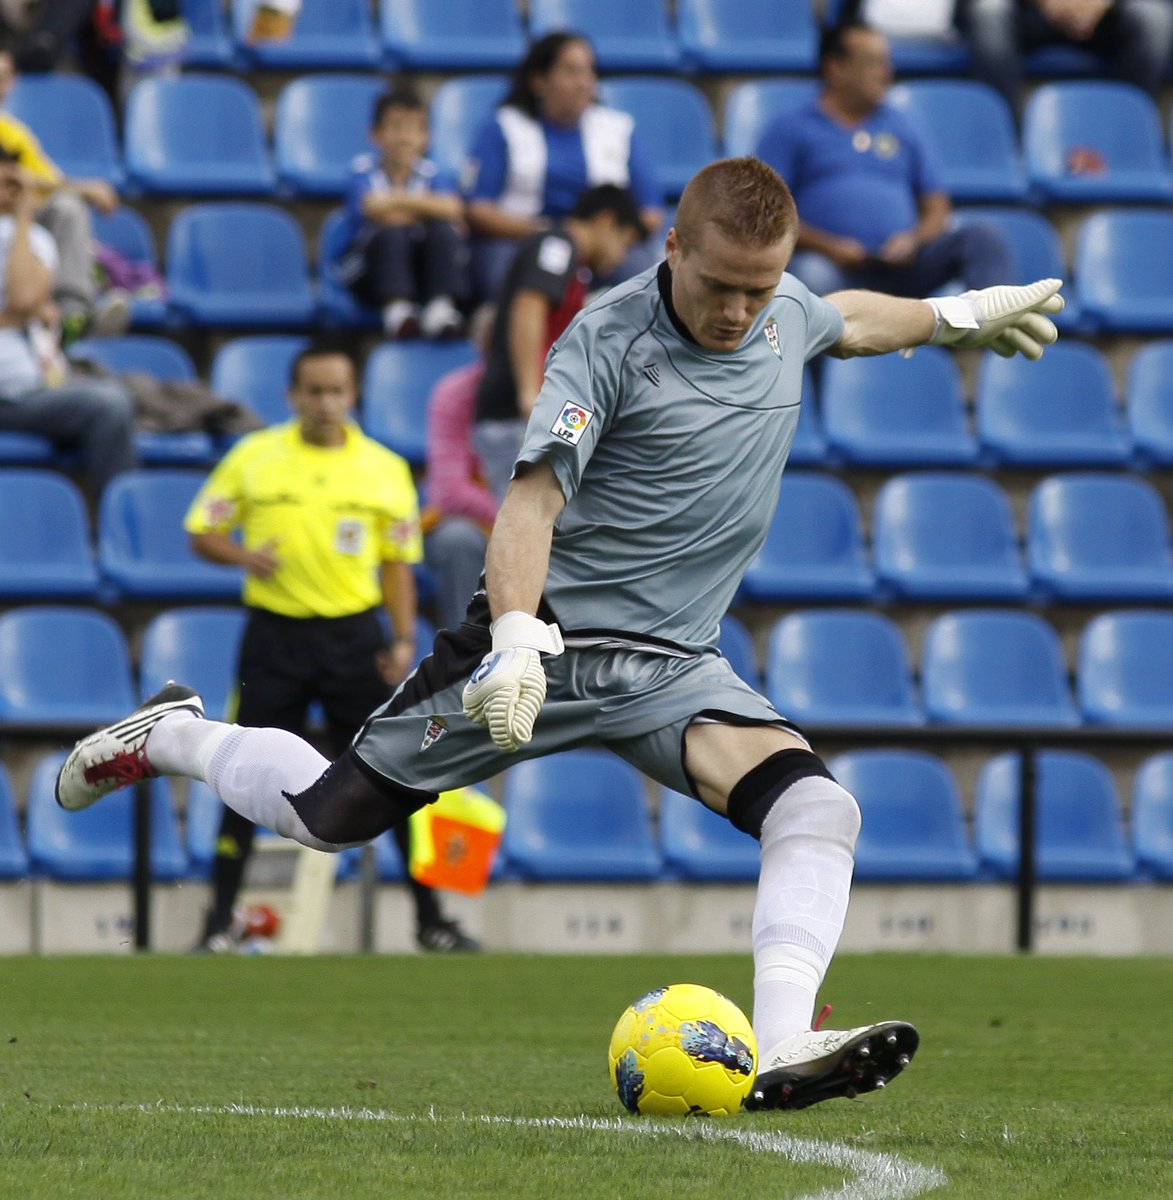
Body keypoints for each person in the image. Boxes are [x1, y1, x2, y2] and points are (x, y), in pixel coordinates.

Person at [56, 157, 1064, 1108]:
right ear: (671, 246)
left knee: (817, 809)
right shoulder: (604, 342)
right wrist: (517, 637)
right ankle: (175, 733)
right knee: (326, 817)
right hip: (544, 650)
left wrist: (953, 315)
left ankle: (785, 1039)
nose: (738, 312)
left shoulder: (779, 311)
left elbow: (844, 318)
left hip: (674, 666)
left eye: (760, 290)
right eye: (720, 285)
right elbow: (530, 504)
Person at [184, 340, 479, 954]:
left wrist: (402, 640)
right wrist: (244, 556)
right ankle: (217, 921)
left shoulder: (384, 468)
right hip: (275, 636)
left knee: (392, 775)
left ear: (354, 396)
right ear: (293, 396)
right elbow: (202, 529)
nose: (325, 402)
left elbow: (398, 564)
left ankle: (431, 918)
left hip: (354, 639)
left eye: (337, 391)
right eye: (313, 391)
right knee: (241, 773)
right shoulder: (255, 458)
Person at [755, 21, 1013, 300]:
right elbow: (767, 211)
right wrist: (830, 246)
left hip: (905, 268)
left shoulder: (902, 124)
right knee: (810, 275)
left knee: (982, 238)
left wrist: (913, 240)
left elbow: (937, 205)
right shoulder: (792, 125)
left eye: (887, 62)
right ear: (835, 69)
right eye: (873, 63)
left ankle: (984, 341)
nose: (886, 73)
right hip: (830, 267)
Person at [472, 183, 646, 504]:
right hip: (515, 417)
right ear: (606, 221)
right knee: (527, 522)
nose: (622, 257)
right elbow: (529, 305)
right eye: (624, 242)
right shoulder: (557, 246)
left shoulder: (574, 268)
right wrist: (530, 393)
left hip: (529, 415)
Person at [464, 31, 664, 302]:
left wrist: (607, 241)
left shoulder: (619, 128)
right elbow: (479, 209)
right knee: (514, 270)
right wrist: (552, 233)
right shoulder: (504, 127)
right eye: (571, 72)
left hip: (603, 247)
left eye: (589, 71)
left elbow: (651, 213)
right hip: (523, 239)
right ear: (539, 81)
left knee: (642, 271)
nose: (585, 83)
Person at [0, 149, 135, 499]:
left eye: (12, 182)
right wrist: (17, 316)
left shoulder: (34, 238)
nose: (6, 190)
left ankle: (114, 528)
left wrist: (24, 218)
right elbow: (26, 307)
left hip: (22, 393)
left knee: (112, 404)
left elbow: (24, 297)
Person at [0, 35, 129, 342]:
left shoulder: (13, 133)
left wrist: (81, 190)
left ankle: (74, 315)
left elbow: (44, 179)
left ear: (13, 82)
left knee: (67, 208)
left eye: (2, 78)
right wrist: (88, 189)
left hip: (11, 215)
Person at [336, 85, 467, 341]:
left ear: (425, 137)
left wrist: (395, 201)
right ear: (375, 134)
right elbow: (372, 209)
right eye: (395, 127)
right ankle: (397, 310)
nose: (404, 137)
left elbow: (452, 208)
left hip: (418, 266)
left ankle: (440, 308)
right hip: (367, 269)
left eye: (413, 128)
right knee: (392, 234)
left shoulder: (432, 173)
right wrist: (425, 211)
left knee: (443, 232)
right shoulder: (361, 171)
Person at [421, 305, 498, 634]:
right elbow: (450, 491)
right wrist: (519, 520)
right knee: (458, 540)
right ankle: (463, 664)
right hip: (476, 523)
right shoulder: (454, 393)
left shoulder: (562, 394)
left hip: (548, 523)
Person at [959, 0, 1173, 116]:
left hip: (1107, 13)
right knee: (989, 10)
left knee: (1154, 17)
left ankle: (1125, 136)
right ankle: (1003, 143)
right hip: (1025, 11)